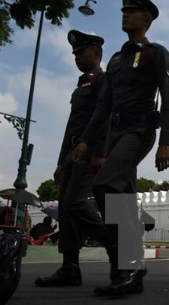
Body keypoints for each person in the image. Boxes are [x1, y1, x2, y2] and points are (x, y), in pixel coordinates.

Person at [71, 0, 169, 296]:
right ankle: (126, 272)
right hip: (115, 134)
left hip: (140, 130)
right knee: (123, 199)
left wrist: (165, 141)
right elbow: (103, 106)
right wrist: (86, 142)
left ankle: (130, 264)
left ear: (146, 19)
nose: (124, 15)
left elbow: (167, 99)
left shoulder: (157, 53)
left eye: (131, 11)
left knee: (104, 186)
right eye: (123, 11)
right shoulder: (116, 59)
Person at [34, 29, 113, 287]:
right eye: (75, 53)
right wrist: (60, 162)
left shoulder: (103, 80)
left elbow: (105, 117)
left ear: (97, 53)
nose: (77, 57)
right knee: (65, 211)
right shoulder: (81, 84)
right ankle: (70, 268)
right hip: (72, 153)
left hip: (89, 151)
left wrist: (99, 151)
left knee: (75, 203)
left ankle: (113, 244)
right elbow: (70, 125)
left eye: (81, 52)